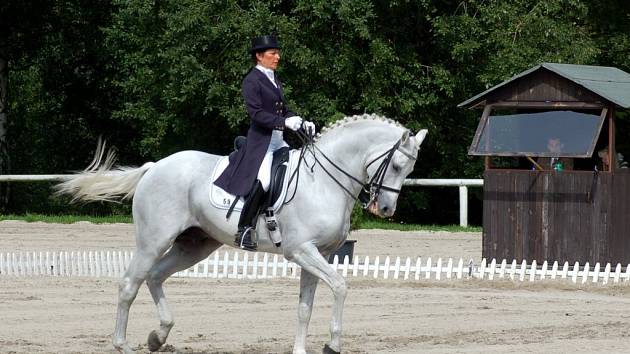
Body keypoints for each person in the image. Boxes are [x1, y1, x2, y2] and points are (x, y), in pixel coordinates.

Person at [214, 35, 315, 251]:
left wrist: (300, 121)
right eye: (273, 53)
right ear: (259, 56)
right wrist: (284, 122)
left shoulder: (273, 78)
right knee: (266, 180)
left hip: (279, 141)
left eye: (278, 53)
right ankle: (244, 229)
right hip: (262, 144)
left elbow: (282, 110)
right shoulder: (251, 80)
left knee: (297, 172)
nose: (278, 57)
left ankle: (277, 215)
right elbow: (257, 114)